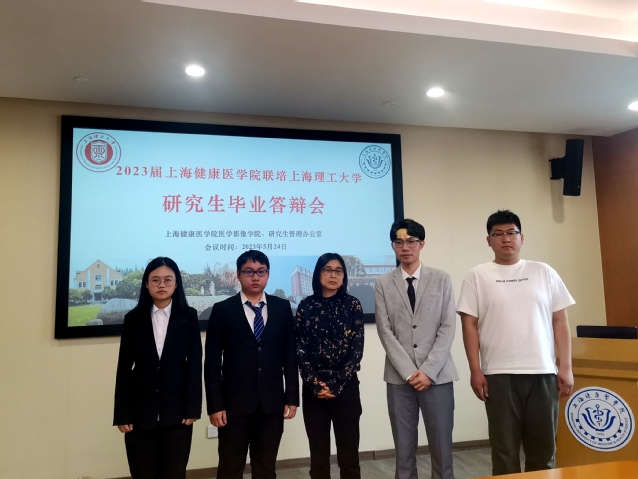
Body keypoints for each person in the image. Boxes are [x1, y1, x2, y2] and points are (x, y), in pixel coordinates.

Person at [457, 210, 575, 476]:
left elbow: (560, 322)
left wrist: (565, 367)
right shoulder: (477, 275)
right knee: (504, 452)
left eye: (511, 233)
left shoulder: (544, 272)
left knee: (544, 451)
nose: (505, 239)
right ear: (489, 240)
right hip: (498, 375)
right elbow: (469, 326)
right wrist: (476, 370)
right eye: (498, 234)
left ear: (522, 238)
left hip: (542, 373)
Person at [205, 250, 299, 479]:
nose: (255, 277)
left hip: (271, 404)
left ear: (268, 274)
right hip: (233, 406)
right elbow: (212, 363)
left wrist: (292, 397)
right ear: (238, 275)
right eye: (249, 272)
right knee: (229, 468)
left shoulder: (282, 308)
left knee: (265, 468)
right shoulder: (222, 310)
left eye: (261, 272)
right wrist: (215, 405)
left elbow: (289, 355)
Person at [375, 219, 458, 479]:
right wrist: (410, 372)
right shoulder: (383, 283)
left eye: (411, 241)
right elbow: (384, 330)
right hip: (399, 379)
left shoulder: (441, 279)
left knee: (442, 447)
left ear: (422, 244)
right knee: (404, 449)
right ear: (393, 246)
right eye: (399, 242)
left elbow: (447, 327)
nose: (405, 247)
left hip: (437, 376)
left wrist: (428, 371)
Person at [113, 257, 202, 479]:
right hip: (140, 413)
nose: (161, 285)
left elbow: (194, 364)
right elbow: (124, 368)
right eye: (155, 280)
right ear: (146, 284)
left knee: (174, 473)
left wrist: (192, 409)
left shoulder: (189, 317)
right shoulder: (133, 319)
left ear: (176, 283)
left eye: (168, 280)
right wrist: (122, 413)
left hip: (178, 413)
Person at [295, 253, 365, 479]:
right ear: (318, 273)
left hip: (346, 389)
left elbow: (356, 350)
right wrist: (317, 385)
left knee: (349, 456)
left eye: (338, 270)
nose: (333, 275)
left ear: (344, 275)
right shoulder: (306, 306)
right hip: (314, 391)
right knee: (318, 457)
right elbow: (300, 349)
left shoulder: (352, 304)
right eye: (327, 270)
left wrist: (336, 385)